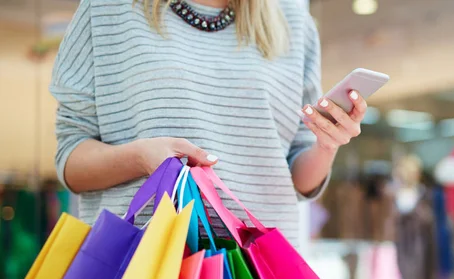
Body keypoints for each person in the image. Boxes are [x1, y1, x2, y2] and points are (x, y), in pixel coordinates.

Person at [51, 0, 367, 246]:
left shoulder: (293, 19)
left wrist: (327, 145)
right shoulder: (108, 8)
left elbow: (297, 177)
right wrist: (139, 159)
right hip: (141, 274)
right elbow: (71, 158)